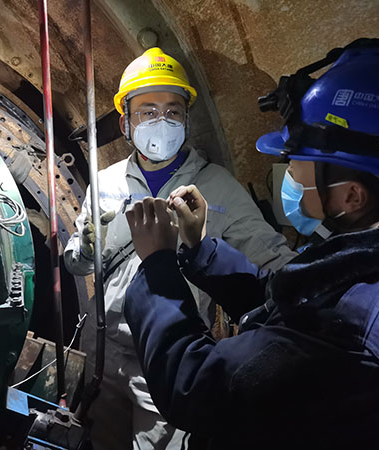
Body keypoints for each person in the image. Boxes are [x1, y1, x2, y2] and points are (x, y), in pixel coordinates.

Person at [123, 38, 379, 449]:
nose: (289, 169)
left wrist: (157, 266)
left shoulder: (352, 334)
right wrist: (201, 248)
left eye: (299, 158)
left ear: (352, 195)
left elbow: (195, 386)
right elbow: (289, 299)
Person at [64, 47, 295, 449]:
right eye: (148, 111)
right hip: (102, 350)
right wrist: (84, 248)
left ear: (186, 119)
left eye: (173, 111)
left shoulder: (217, 187)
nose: (162, 121)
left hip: (165, 354)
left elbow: (273, 258)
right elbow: (76, 264)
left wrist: (319, 289)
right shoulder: (106, 182)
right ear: (126, 122)